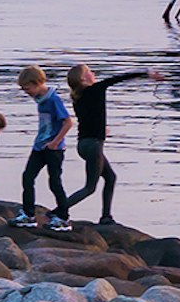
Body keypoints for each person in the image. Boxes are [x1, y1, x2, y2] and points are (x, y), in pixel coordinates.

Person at [60, 61, 154, 227]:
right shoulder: (95, 89)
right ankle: (57, 212)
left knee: (110, 178)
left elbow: (89, 119)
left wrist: (102, 130)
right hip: (93, 145)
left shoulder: (78, 97)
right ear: (83, 78)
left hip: (85, 145)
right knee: (90, 188)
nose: (93, 73)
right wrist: (146, 72)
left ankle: (106, 217)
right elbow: (119, 78)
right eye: (89, 71)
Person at [12, 66, 72, 228]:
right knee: (28, 177)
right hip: (39, 146)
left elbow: (68, 122)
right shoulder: (40, 100)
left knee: (54, 182)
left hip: (54, 149)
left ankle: (63, 218)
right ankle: (29, 214)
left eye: (27, 88)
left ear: (37, 83)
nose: (27, 92)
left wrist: (54, 142)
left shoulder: (53, 99)